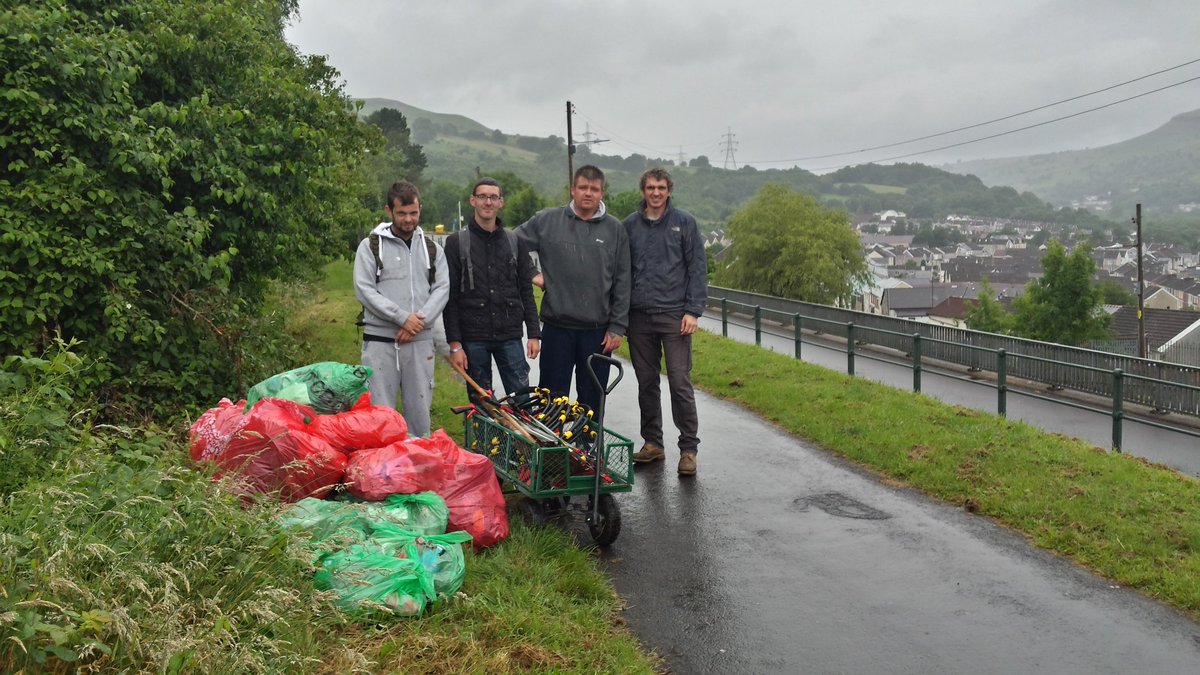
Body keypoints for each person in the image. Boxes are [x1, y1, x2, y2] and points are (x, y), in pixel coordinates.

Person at [516, 165, 630, 413]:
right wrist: (532, 274)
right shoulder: (547, 220)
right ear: (572, 190)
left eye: (594, 189)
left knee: (591, 401)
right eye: (583, 188)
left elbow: (623, 280)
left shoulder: (615, 229)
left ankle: (587, 449)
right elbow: (510, 245)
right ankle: (552, 449)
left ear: (602, 192)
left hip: (598, 332)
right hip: (557, 328)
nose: (588, 193)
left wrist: (617, 326)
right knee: (552, 400)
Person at [624, 168, 707, 476]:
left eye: (661, 187)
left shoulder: (685, 223)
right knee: (646, 383)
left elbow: (698, 268)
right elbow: (621, 272)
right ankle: (653, 443)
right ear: (643, 190)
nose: (655, 192)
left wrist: (693, 310)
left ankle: (688, 449)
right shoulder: (630, 226)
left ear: (669, 190)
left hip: (675, 315)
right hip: (639, 316)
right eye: (650, 187)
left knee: (680, 382)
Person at [354, 181, 449, 437]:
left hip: (420, 342)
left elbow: (442, 289)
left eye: (413, 213)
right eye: (402, 213)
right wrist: (401, 318)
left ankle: (418, 467)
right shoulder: (370, 247)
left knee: (419, 410)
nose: (408, 219)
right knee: (381, 412)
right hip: (380, 341)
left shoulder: (432, 249)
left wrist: (418, 322)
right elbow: (364, 290)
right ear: (389, 210)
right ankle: (382, 470)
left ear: (420, 209)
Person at [443, 177, 541, 403]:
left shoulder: (515, 241)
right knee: (482, 403)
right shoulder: (456, 243)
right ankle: (484, 440)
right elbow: (450, 299)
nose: (488, 202)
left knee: (522, 400)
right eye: (483, 197)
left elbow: (525, 290)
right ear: (472, 200)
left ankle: (520, 440)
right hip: (473, 336)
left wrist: (534, 333)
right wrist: (455, 344)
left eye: (493, 197)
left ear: (501, 202)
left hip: (510, 335)